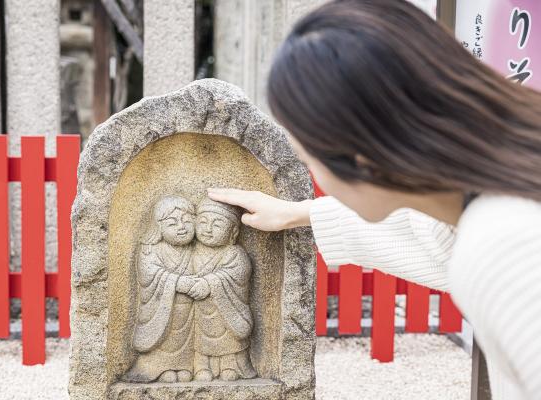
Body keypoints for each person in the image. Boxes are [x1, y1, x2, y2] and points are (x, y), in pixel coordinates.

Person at [208, 1, 541, 399]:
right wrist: (299, 213)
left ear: (360, 158)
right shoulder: (499, 191)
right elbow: (432, 235)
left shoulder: (502, 244)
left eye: (307, 158)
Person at [126, 195, 197, 383]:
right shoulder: (150, 249)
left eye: (187, 221)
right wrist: (177, 282)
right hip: (160, 310)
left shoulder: (196, 248)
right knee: (165, 338)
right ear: (158, 227)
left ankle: (184, 365)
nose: (182, 227)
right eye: (172, 223)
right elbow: (149, 273)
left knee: (185, 337)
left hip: (189, 311)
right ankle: (159, 367)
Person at [191, 197, 256, 382]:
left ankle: (231, 365)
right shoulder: (194, 251)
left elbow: (240, 272)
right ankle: (202, 366)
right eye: (202, 222)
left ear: (233, 232)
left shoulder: (234, 254)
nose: (208, 229)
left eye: (217, 225)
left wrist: (210, 282)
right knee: (201, 338)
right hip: (200, 311)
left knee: (229, 339)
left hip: (228, 310)